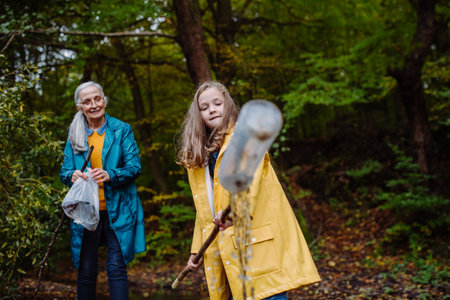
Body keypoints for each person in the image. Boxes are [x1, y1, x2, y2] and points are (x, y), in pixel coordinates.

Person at [176, 81, 321, 300]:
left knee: (266, 293)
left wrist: (237, 211)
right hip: (227, 253)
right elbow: (204, 212)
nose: (212, 109)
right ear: (198, 115)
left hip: (257, 246)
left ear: (229, 106)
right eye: (204, 107)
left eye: (217, 103)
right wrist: (197, 250)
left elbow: (249, 182)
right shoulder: (199, 159)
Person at [60, 81, 146, 300]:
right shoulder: (74, 135)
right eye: (87, 101)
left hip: (118, 208)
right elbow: (65, 171)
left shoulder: (121, 129)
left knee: (116, 269)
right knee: (86, 271)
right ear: (80, 107)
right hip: (86, 212)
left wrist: (111, 175)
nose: (94, 104)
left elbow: (134, 167)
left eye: (97, 99)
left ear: (104, 100)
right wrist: (72, 175)